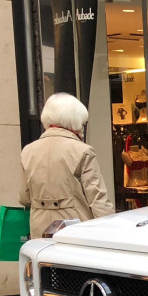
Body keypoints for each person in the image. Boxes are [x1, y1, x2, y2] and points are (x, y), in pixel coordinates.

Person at [19, 93, 114, 239]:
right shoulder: (82, 151)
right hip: (74, 227)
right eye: (82, 124)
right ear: (75, 122)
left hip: (40, 228)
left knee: (45, 261)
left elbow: (24, 197)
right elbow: (97, 198)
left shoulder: (28, 151)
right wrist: (111, 228)